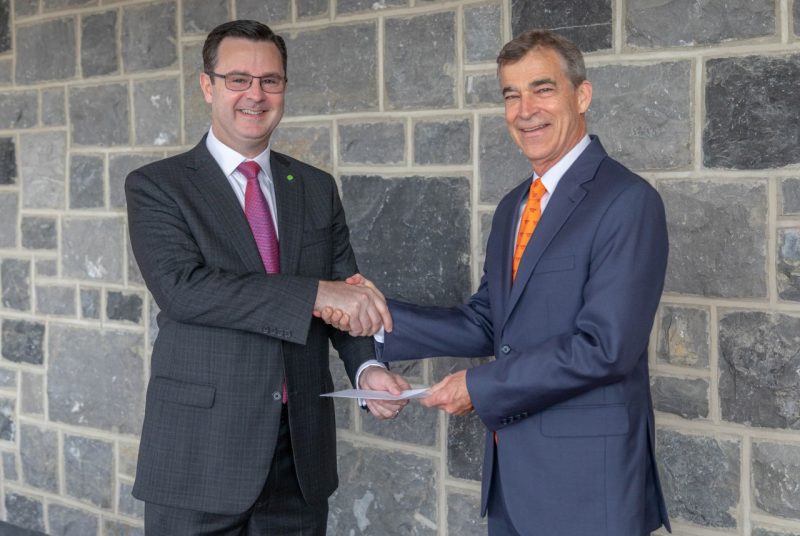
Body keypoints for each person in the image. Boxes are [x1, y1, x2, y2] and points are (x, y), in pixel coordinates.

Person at [322, 30, 672, 535]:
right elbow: (489, 321)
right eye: (511, 94)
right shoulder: (514, 206)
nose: (525, 109)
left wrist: (479, 387)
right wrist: (374, 319)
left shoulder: (627, 201)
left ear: (583, 95)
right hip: (512, 481)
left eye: (542, 89)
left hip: (586, 485)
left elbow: (606, 347)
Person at [125, 20, 408, 535]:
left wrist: (367, 371)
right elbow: (184, 290)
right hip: (199, 456)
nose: (255, 94)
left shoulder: (315, 187)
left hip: (296, 459)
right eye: (238, 79)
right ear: (207, 86)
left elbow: (349, 294)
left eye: (270, 81)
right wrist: (315, 293)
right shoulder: (158, 187)